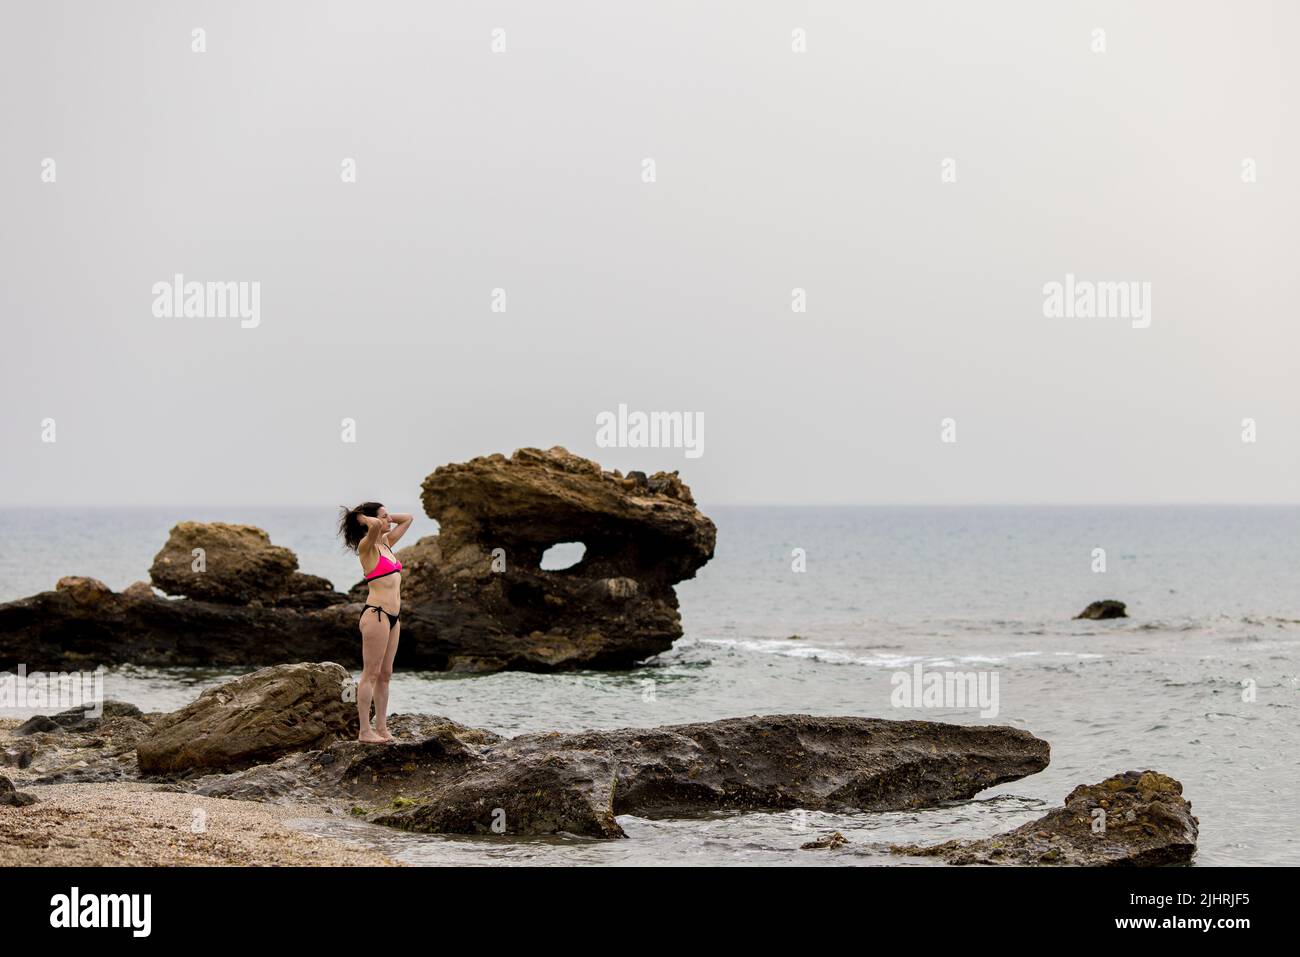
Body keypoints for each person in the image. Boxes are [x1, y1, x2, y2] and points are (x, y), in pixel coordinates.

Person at [336, 502, 412, 742]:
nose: (389, 519)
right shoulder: (366, 547)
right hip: (376, 614)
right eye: (384, 516)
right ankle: (364, 731)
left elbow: (408, 518)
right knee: (371, 673)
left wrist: (382, 516)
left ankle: (381, 727)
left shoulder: (386, 543)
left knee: (386, 674)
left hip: (393, 617)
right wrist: (363, 518)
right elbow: (376, 526)